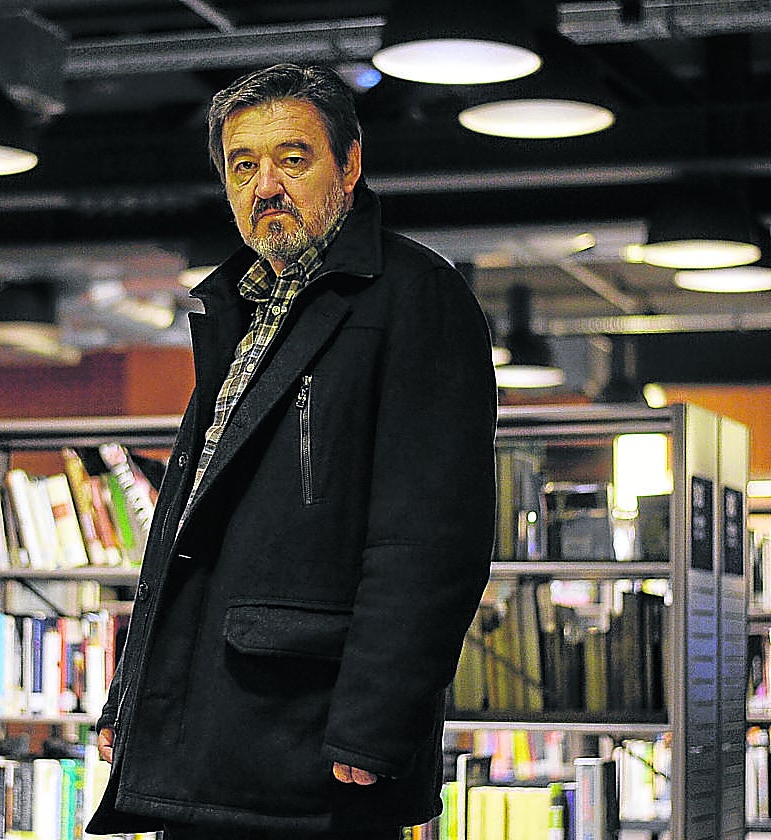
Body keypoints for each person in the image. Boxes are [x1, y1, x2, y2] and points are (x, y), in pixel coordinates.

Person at [85, 63, 497, 840]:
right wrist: (131, 698)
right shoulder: (240, 307)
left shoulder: (414, 296)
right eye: (243, 166)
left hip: (309, 743)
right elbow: (186, 533)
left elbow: (431, 541)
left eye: (293, 159)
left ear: (350, 164)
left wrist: (375, 726)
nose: (266, 185)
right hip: (210, 740)